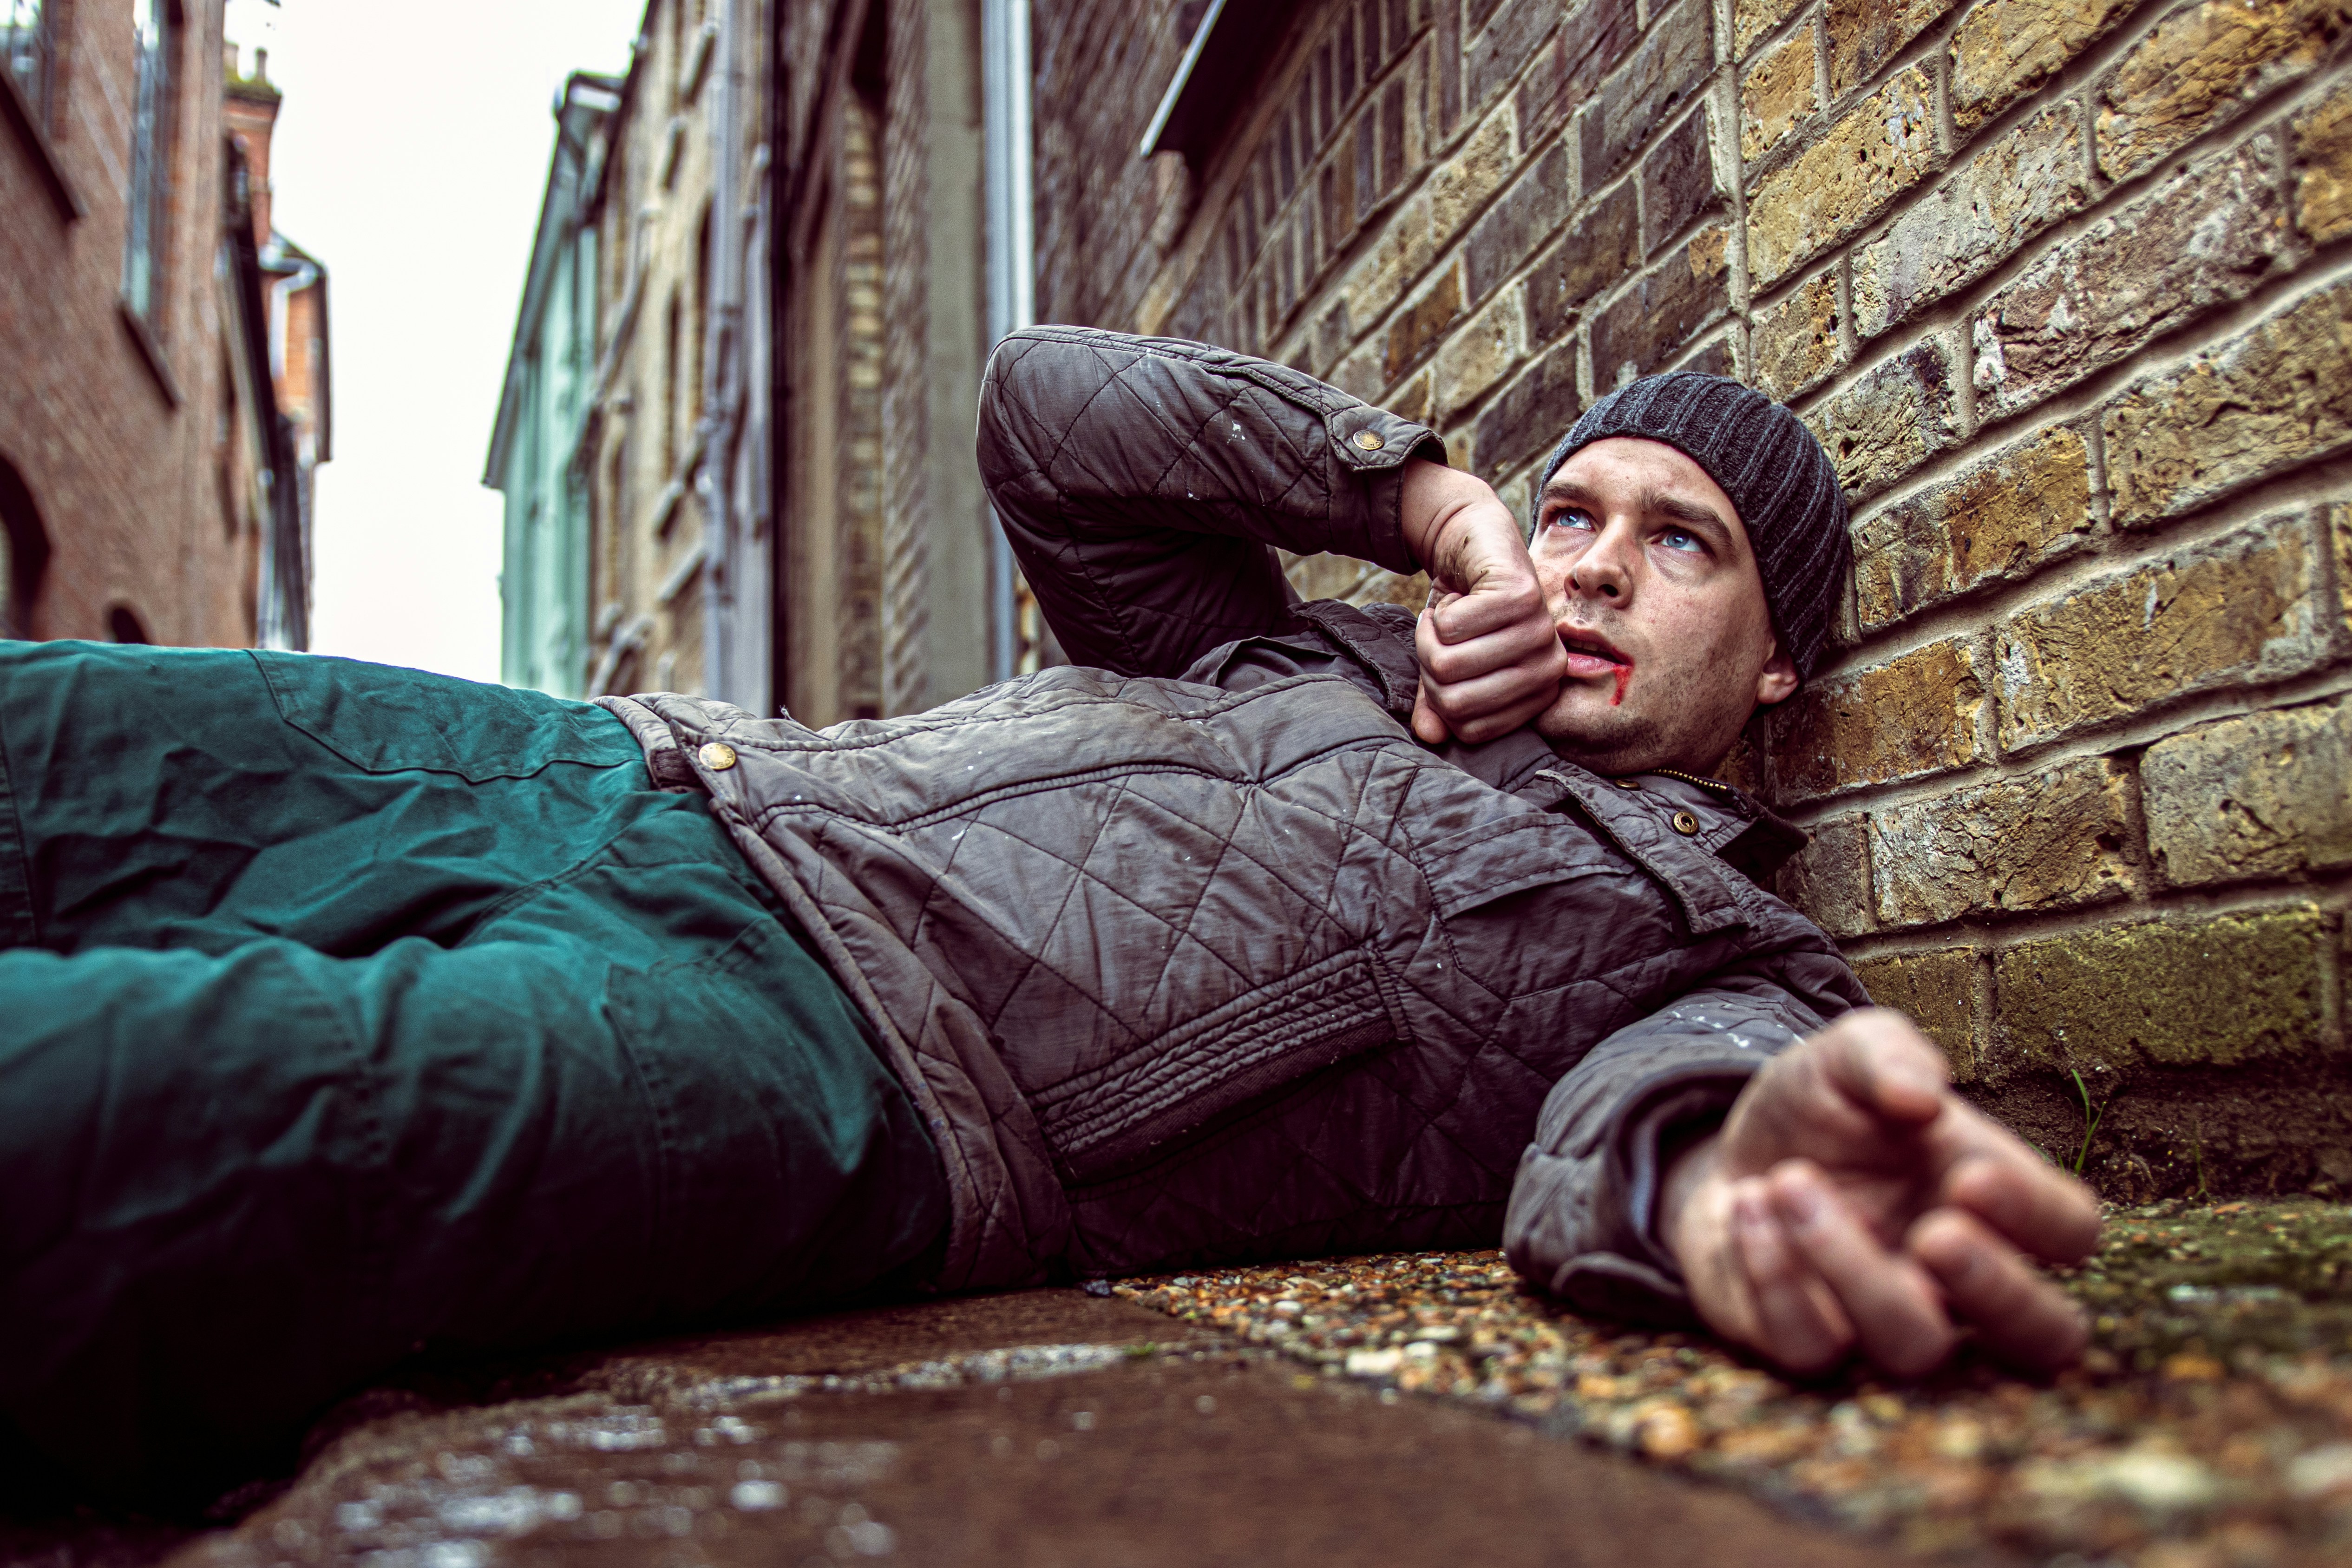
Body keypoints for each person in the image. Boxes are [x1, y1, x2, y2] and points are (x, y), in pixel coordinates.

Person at [0, 327, 2097, 1505]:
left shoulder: (1702, 940)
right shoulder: (1309, 657)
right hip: (637, 772)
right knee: (76, 741)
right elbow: (1045, 415)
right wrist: (1424, 504)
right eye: (1578, 512)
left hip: (807, 1061)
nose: (1599, 565)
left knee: (135, 1110)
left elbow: (1677, 1106)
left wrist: (1718, 1182)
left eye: (1685, 544)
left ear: (1782, 659)